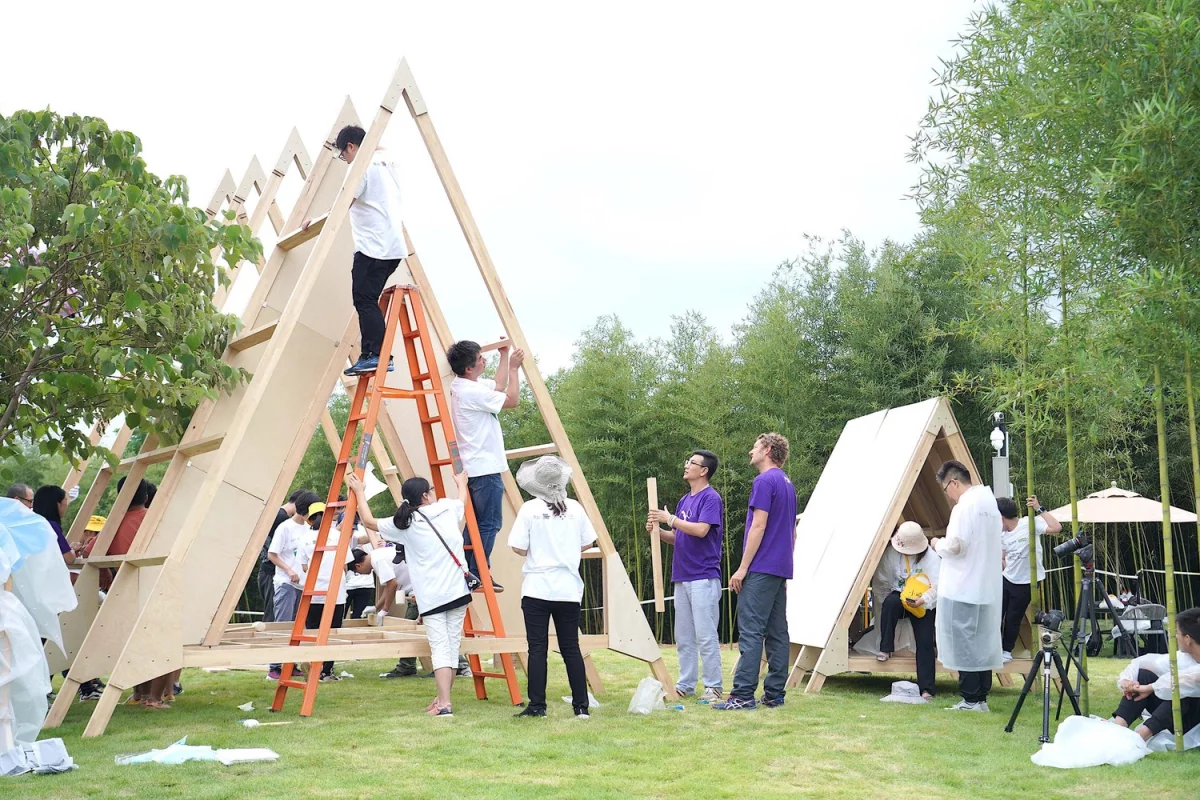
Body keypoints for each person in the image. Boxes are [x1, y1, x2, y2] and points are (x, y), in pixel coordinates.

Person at [347, 470, 472, 717]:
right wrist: (461, 484)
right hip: (458, 590)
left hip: (432, 595)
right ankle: (442, 698)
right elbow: (462, 502)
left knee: (440, 648)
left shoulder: (405, 523)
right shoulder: (446, 510)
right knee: (451, 645)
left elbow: (370, 522)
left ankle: (445, 703)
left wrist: (360, 492)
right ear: (425, 495)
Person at [301, 125, 405, 376]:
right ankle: (374, 353)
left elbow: (343, 205)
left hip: (372, 248)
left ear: (351, 146)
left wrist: (313, 222)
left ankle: (376, 355)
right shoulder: (387, 161)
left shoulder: (361, 168)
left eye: (343, 154)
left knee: (364, 300)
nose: (345, 160)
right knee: (368, 299)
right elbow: (380, 146)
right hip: (393, 249)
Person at [509, 456, 598, 719]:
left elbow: (518, 547)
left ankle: (537, 705)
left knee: (537, 648)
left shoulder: (529, 510)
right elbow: (587, 542)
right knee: (571, 647)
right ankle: (581, 706)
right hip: (569, 587)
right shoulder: (575, 509)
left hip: (537, 586)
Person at [714, 433, 798, 711]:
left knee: (751, 631)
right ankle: (775, 694)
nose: (750, 451)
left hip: (761, 567)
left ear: (768, 450)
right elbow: (792, 531)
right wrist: (785, 565)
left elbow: (758, 526)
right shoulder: (788, 483)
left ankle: (742, 695)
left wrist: (742, 568)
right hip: (779, 567)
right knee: (777, 632)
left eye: (755, 447)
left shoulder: (764, 481)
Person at [646, 450, 725, 703]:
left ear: (704, 471)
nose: (686, 465)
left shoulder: (711, 498)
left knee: (706, 634)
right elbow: (678, 536)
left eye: (691, 463)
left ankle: (713, 687)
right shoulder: (683, 501)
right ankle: (686, 684)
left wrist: (670, 518)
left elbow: (701, 530)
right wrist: (659, 531)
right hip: (682, 576)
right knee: (684, 636)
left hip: (703, 575)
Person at [446, 338, 525, 586]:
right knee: (490, 523)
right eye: (481, 358)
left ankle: (469, 570)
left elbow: (498, 385)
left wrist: (504, 356)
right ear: (469, 367)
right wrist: (514, 368)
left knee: (476, 523)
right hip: (484, 467)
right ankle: (479, 571)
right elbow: (511, 400)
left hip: (474, 466)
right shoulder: (472, 391)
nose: (484, 360)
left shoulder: (463, 385)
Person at [930, 460, 1003, 712]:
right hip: (986, 586)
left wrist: (937, 543)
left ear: (953, 482)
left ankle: (971, 698)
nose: (948, 496)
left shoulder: (965, 506)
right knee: (981, 642)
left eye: (945, 490)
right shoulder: (988, 502)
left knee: (964, 644)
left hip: (962, 585)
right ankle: (981, 697)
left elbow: (956, 546)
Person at [871, 521, 941, 700]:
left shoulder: (931, 558)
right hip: (899, 596)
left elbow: (937, 585)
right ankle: (885, 648)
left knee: (924, 641)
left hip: (923, 602)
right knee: (889, 603)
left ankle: (927, 689)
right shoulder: (890, 554)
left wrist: (923, 600)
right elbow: (881, 583)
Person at [1110, 606, 1200, 742]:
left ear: (1187, 638)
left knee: (1181, 689)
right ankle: (1118, 727)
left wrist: (1151, 688)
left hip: (1195, 723)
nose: (1175, 637)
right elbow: (1145, 662)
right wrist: (1127, 682)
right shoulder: (1183, 657)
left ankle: (1141, 736)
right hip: (1179, 716)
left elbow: (1189, 679)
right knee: (1144, 675)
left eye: (1177, 633)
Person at [998, 495, 1061, 662]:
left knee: (1013, 617)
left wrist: (1039, 508)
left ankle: (1006, 651)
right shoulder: (1002, 534)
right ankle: (994, 647)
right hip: (1008, 578)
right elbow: (1003, 556)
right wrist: (1007, 568)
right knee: (996, 614)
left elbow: (1056, 527)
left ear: (1001, 517)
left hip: (1027, 582)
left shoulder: (1028, 523)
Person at [266, 491, 322, 679]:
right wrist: (289, 571)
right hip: (286, 583)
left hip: (303, 584)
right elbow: (272, 555)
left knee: (299, 626)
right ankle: (274, 667)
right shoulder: (285, 527)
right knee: (283, 624)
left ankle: (292, 664)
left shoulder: (309, 529)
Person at [299, 503, 347, 682]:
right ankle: (325, 671)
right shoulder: (337, 535)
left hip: (313, 591)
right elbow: (345, 563)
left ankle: (312, 664)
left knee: (313, 631)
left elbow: (304, 567)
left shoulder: (304, 538)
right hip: (336, 591)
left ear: (310, 519)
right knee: (332, 633)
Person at [258, 489, 307, 624]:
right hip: (273, 570)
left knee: (272, 612)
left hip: (268, 569)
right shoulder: (283, 520)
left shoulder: (275, 513)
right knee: (274, 614)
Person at [348, 546, 399, 620]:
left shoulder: (377, 560)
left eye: (357, 573)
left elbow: (393, 584)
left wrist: (385, 609)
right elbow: (388, 586)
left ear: (358, 566)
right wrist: (376, 608)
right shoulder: (375, 556)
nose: (361, 574)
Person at [32, 485, 75, 567]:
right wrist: (73, 550)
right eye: (65, 500)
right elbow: (69, 559)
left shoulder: (31, 524)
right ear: (58, 504)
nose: (67, 504)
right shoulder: (51, 526)